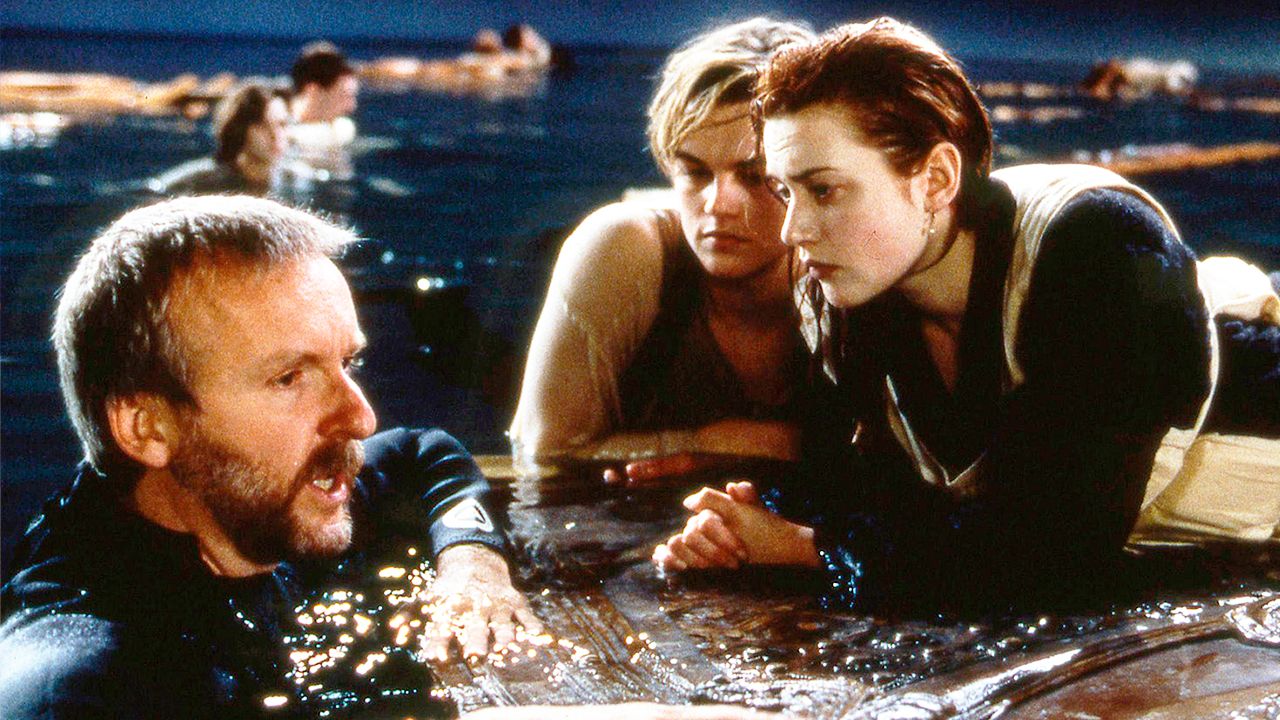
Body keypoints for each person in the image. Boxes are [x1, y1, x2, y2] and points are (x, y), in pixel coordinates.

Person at [654, 17, 1280, 613]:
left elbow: (1056, 553)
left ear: (935, 179)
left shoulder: (1094, 246)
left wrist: (803, 546)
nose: (792, 230)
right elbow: (863, 490)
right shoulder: (844, 299)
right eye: (784, 191)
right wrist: (744, 521)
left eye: (824, 190)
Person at [0, 196, 538, 718]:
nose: (361, 418)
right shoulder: (78, 685)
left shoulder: (256, 503)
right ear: (148, 429)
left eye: (348, 362)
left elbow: (425, 453)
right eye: (289, 378)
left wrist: (472, 562)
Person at [509, 18, 822, 489]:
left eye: (754, 176)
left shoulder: (848, 269)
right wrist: (728, 443)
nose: (718, 205)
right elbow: (542, 453)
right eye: (695, 173)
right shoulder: (622, 249)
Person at [148, 83, 299, 196]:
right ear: (240, 130)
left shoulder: (295, 180)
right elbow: (152, 193)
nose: (275, 136)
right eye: (262, 126)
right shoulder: (199, 179)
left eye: (282, 124)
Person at [287, 41, 358, 177]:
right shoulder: (280, 134)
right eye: (343, 96)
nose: (352, 107)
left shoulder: (342, 128)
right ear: (313, 91)